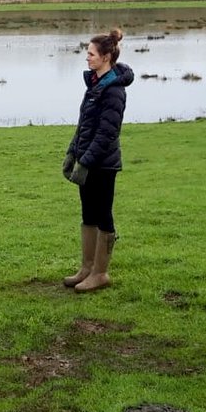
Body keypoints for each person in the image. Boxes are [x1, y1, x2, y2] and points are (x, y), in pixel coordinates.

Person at [63, 29, 134, 293]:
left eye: (91, 54)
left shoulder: (113, 91)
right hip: (87, 159)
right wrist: (72, 153)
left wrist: (87, 162)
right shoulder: (95, 84)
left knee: (103, 214)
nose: (87, 58)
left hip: (103, 165)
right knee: (88, 213)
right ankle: (87, 268)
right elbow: (84, 125)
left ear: (106, 57)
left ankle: (100, 273)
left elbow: (107, 133)